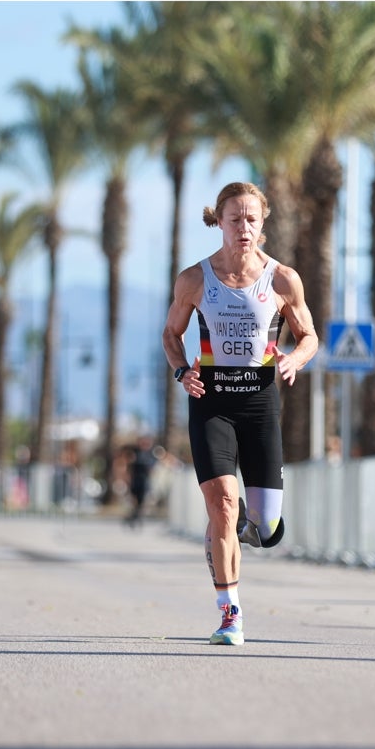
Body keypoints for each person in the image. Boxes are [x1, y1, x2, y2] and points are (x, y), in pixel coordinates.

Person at [162, 182, 318, 646]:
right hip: (211, 402)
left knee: (267, 528)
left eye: (252, 219)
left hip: (259, 403)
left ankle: (246, 525)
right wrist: (180, 372)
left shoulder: (283, 279)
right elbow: (172, 335)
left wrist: (294, 358)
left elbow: (308, 336)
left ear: (263, 223)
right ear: (220, 222)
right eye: (235, 219)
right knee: (223, 504)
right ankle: (230, 613)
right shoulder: (194, 279)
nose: (244, 228)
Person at [125, 435, 156, 527]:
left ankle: (138, 516)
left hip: (145, 480)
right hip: (135, 479)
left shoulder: (151, 454)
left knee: (142, 500)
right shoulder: (134, 452)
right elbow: (127, 465)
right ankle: (134, 515)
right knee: (134, 499)